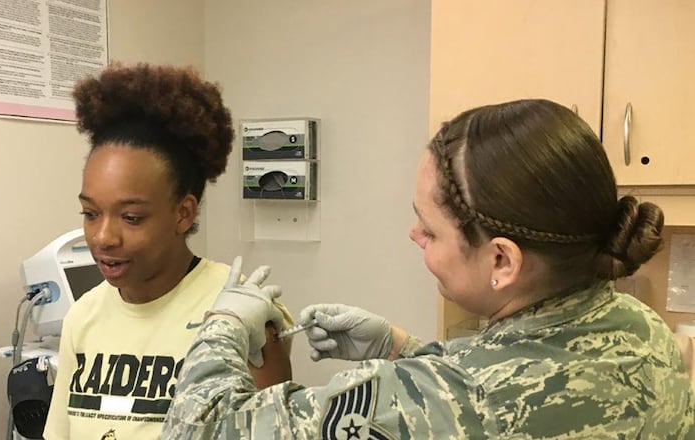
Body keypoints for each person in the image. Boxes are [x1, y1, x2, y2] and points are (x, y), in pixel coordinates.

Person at [160, 99, 694, 439]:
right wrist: (399, 348)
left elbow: (202, 431)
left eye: (429, 229)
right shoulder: (638, 327)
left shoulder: (446, 398)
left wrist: (223, 325)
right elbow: (521, 390)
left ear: (502, 260)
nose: (413, 236)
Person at [42, 63, 293, 440]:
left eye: (131, 217)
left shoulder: (241, 312)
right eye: (90, 213)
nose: (104, 237)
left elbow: (276, 432)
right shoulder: (83, 317)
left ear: (183, 213)